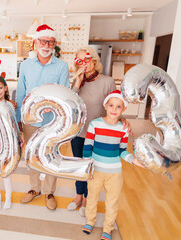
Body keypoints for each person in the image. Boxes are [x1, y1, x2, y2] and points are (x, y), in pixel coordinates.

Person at [67, 46, 132, 216]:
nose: (84, 64)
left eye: (87, 59)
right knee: (78, 167)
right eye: (79, 61)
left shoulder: (107, 81)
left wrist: (123, 119)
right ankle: (78, 196)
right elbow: (70, 104)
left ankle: (87, 200)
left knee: (92, 169)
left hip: (98, 134)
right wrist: (77, 84)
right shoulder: (75, 81)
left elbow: (115, 105)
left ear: (94, 60)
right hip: (78, 132)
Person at [16, 24, 69, 210]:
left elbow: (64, 94)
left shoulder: (62, 66)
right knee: (31, 154)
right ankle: (34, 188)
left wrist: (52, 107)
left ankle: (49, 191)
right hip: (30, 119)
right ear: (35, 42)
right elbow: (21, 93)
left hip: (53, 121)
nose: (46, 45)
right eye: (43, 41)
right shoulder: (25, 65)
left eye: (50, 42)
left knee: (51, 154)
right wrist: (19, 121)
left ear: (54, 44)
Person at [81, 90, 143, 240]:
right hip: (95, 171)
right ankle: (90, 221)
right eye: (111, 105)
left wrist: (133, 160)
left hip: (114, 173)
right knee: (92, 197)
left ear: (124, 109)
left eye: (118, 107)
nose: (114, 110)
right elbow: (87, 147)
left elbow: (122, 150)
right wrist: (88, 169)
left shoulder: (123, 129)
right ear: (105, 106)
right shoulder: (94, 124)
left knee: (112, 202)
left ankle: (108, 228)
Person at [0, 76, 23, 210]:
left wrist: (19, 136)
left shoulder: (9, 105)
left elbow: (14, 123)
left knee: (5, 170)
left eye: (0, 88)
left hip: (6, 141)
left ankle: (8, 197)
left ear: (5, 88)